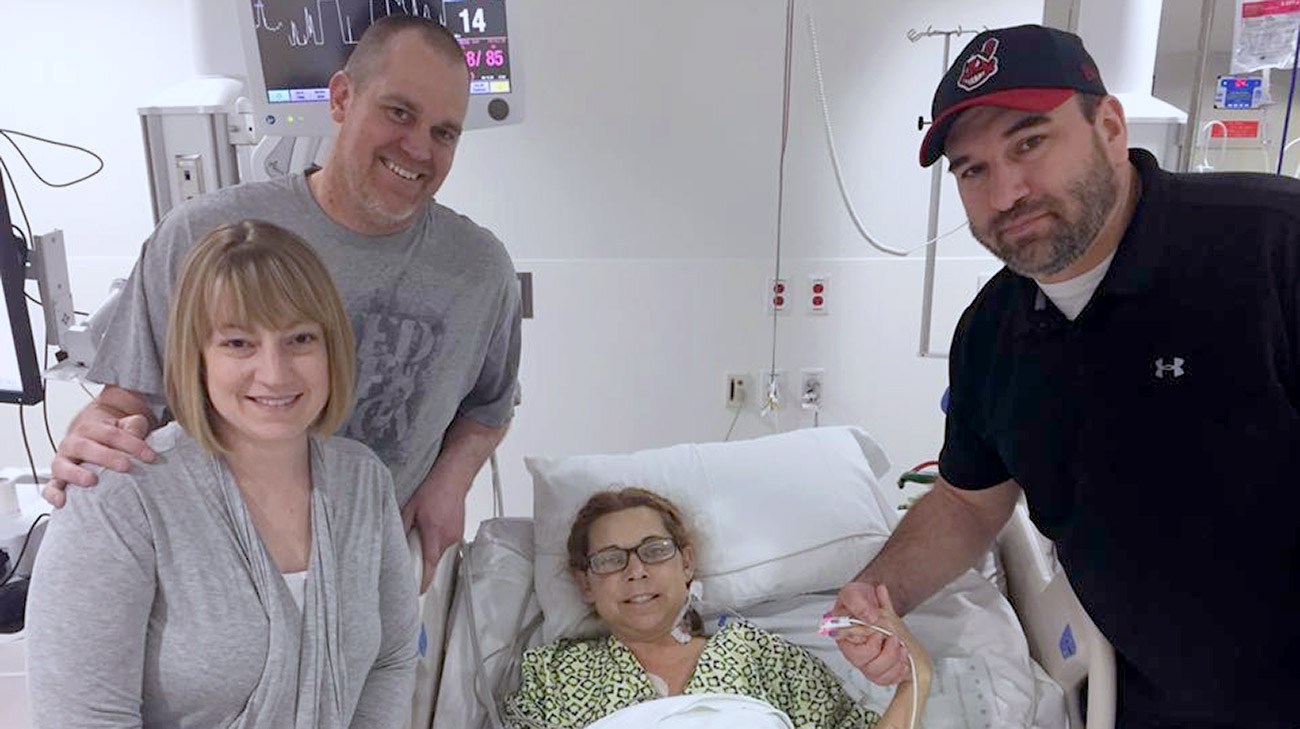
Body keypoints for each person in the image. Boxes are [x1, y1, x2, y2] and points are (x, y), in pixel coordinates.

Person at [832, 24, 1300, 728]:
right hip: (1157, 699)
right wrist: (876, 591)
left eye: (1030, 142)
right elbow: (967, 501)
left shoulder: (1272, 248)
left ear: (1109, 125)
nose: (1006, 192)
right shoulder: (992, 332)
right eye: (972, 169)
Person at [46, 15, 521, 587]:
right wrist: (97, 432)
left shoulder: (479, 270)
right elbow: (129, 402)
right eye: (399, 112)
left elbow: (488, 406)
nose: (418, 147)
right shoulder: (205, 235)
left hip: (370, 574)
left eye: (444, 132)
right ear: (341, 98)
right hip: (212, 574)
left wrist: (450, 480)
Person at [26, 220, 418, 727]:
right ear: (197, 357)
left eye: (300, 338)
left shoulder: (363, 483)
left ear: (330, 348)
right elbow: (81, 718)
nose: (275, 373)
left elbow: (390, 661)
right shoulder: (119, 496)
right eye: (238, 343)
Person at [504, 487, 931, 729]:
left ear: (686, 563)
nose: (635, 571)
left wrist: (916, 677)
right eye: (611, 559)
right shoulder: (552, 674)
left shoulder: (762, 657)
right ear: (585, 583)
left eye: (654, 551)